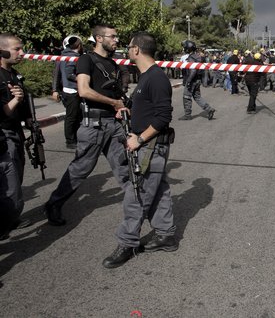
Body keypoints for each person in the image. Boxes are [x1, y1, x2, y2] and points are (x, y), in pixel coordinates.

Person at [103, 32, 177, 268]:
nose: (126, 50)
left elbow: (164, 116)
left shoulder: (156, 78)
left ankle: (127, 242)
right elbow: (149, 109)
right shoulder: (147, 77)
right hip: (149, 145)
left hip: (150, 146)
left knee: (137, 195)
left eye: (129, 47)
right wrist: (128, 112)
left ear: (136, 50)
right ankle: (165, 235)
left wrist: (140, 139)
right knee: (159, 189)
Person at [43, 24, 130, 226]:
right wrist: (113, 103)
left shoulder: (113, 64)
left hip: (113, 123)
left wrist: (121, 105)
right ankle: (54, 204)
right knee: (80, 169)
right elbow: (83, 91)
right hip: (94, 125)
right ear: (99, 38)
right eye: (113, 36)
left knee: (124, 168)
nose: (117, 40)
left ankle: (138, 203)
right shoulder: (86, 59)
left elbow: (114, 94)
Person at [0, 45, 26, 237]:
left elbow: (23, 103)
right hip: (5, 133)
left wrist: (31, 121)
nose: (22, 53)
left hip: (16, 130)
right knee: (10, 184)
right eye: (17, 49)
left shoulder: (13, 74)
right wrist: (15, 100)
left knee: (17, 177)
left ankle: (10, 217)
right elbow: (3, 112)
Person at [58, 35, 84, 149]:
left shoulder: (64, 55)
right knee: (72, 117)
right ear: (78, 45)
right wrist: (81, 78)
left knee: (75, 116)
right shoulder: (72, 57)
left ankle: (74, 138)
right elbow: (69, 73)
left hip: (69, 90)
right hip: (72, 90)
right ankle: (70, 140)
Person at [179, 41, 215, 121]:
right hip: (197, 80)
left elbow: (193, 70)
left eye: (185, 47)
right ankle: (209, 109)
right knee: (197, 97)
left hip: (192, 80)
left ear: (188, 48)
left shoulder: (191, 58)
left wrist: (188, 81)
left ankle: (187, 115)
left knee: (186, 97)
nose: (184, 49)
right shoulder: (198, 57)